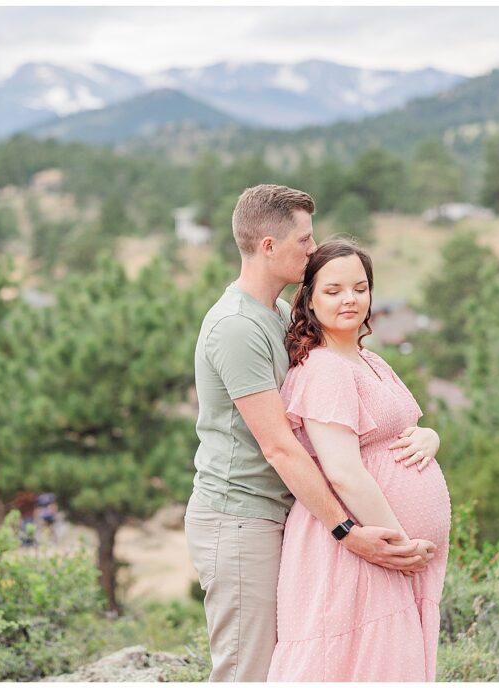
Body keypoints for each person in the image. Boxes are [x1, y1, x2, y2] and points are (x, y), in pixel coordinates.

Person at [184, 185, 438, 682]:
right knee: (247, 671)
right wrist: (347, 531)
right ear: (269, 246)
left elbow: (349, 407)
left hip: (281, 518)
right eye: (304, 239)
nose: (311, 247)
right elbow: (279, 447)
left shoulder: (278, 316)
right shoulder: (237, 327)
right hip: (241, 520)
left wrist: (427, 439)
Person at [267, 238, 451, 681]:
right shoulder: (325, 368)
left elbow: (402, 428)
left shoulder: (370, 360)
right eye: (333, 290)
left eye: (360, 287)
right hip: (357, 551)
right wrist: (401, 543)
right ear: (309, 299)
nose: (350, 299)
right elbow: (344, 473)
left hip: (384, 549)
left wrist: (431, 437)